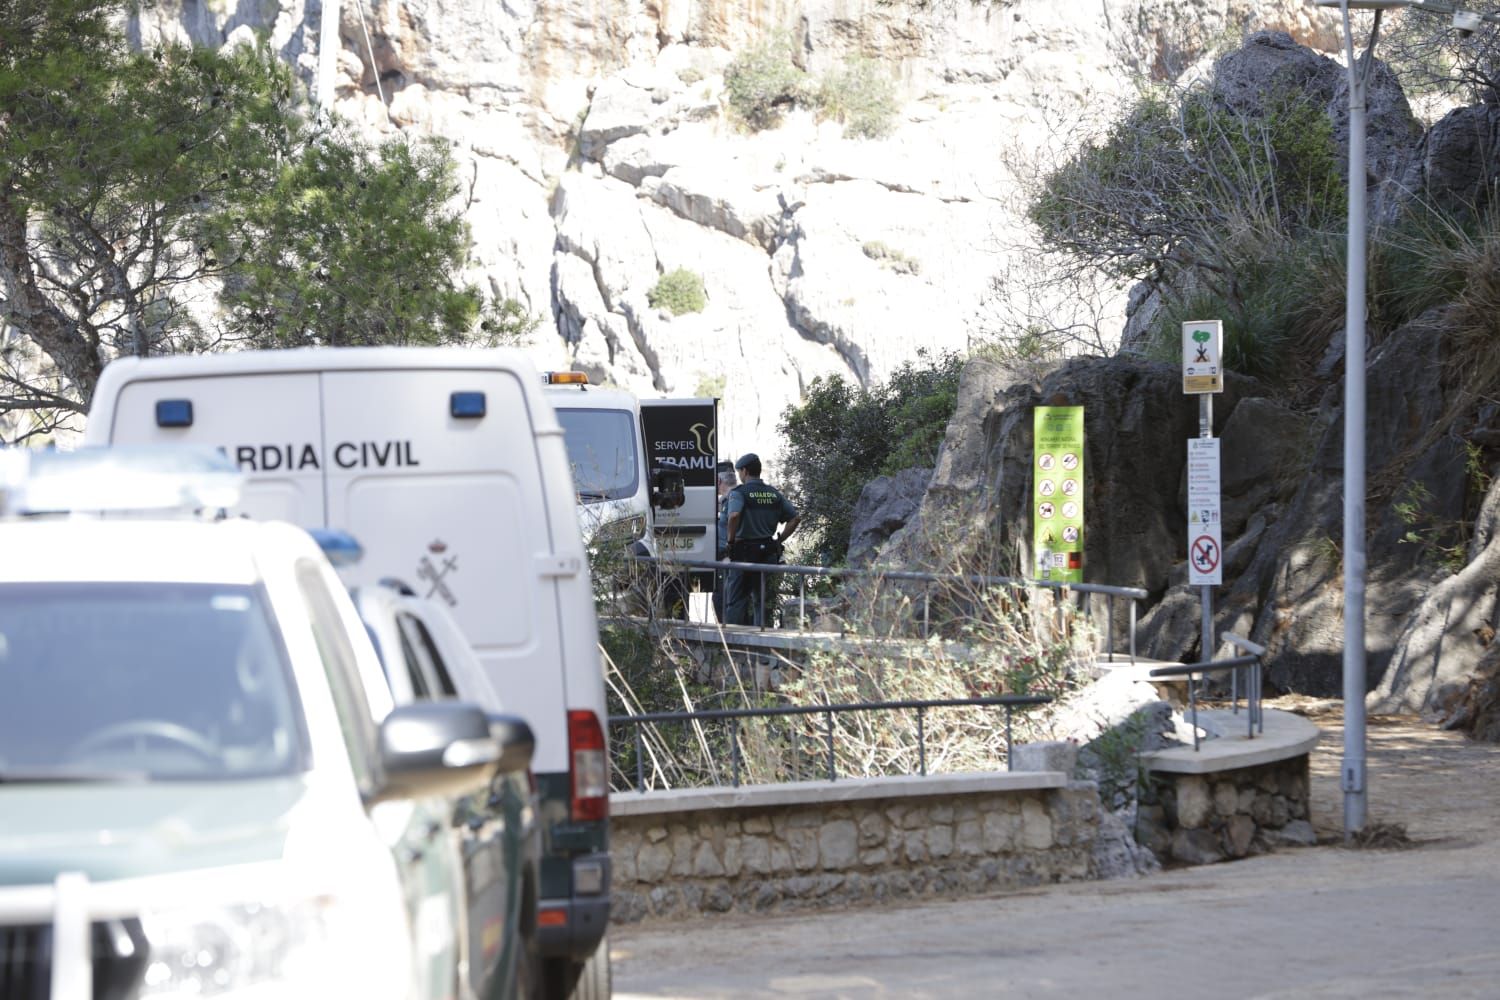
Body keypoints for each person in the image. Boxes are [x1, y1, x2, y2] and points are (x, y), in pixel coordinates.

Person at [724, 453, 800, 627]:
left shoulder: (739, 493)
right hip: (767, 552)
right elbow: (795, 519)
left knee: (736, 601)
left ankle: (731, 640)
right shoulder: (773, 494)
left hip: (743, 553)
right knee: (763, 601)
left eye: (739, 472)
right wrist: (779, 540)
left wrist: (730, 542)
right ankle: (764, 638)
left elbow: (734, 515)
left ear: (744, 471)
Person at [713, 460, 736, 624]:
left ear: (719, 481)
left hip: (729, 560)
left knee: (722, 601)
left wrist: (729, 549)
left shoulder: (732, 500)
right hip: (733, 561)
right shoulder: (734, 497)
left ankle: (728, 642)